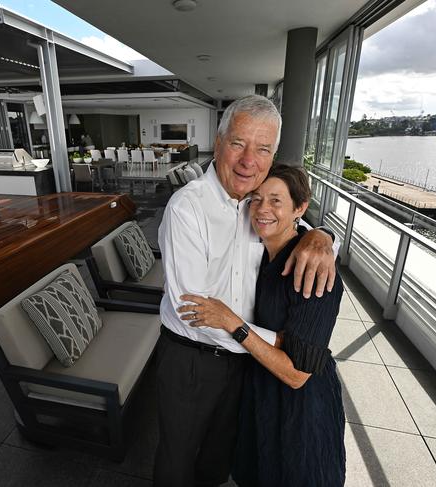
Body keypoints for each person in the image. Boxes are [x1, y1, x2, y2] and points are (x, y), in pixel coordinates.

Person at [155, 95, 336, 487]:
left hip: (246, 361)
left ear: (273, 156)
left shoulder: (259, 206)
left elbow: (292, 222)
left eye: (263, 148)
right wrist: (281, 346)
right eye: (238, 143)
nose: (247, 160)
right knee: (177, 460)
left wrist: (322, 236)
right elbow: (195, 313)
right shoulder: (188, 208)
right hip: (192, 359)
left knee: (222, 455)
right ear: (218, 143)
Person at [179, 165, 346, 487]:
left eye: (276, 201)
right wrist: (320, 232)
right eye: (256, 199)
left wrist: (232, 322)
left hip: (302, 405)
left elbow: (298, 376)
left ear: (300, 208)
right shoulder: (263, 253)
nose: (263, 209)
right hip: (261, 387)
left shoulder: (311, 273)